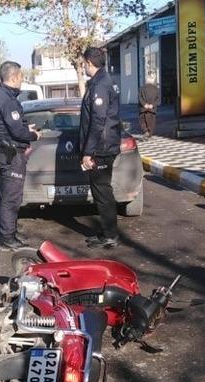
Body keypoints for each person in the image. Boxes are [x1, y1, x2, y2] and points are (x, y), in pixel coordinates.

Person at [0, 60, 41, 251]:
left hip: (4, 151)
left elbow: (9, 125)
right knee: (11, 199)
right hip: (11, 154)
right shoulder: (8, 100)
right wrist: (33, 135)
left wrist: (24, 127)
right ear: (13, 77)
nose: (22, 80)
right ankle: (7, 239)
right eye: (21, 77)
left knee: (10, 196)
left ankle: (11, 232)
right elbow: (17, 131)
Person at [79, 46, 122, 249]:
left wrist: (88, 152)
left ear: (89, 63)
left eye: (84, 64)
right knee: (101, 191)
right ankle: (107, 231)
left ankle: (110, 234)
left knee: (102, 191)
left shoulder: (100, 84)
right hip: (104, 144)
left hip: (101, 147)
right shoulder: (103, 80)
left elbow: (98, 121)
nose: (83, 68)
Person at [138, 72, 160, 140]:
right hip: (152, 109)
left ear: (146, 79)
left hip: (143, 109)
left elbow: (140, 98)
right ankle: (149, 134)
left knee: (143, 121)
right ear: (153, 79)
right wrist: (152, 105)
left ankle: (146, 131)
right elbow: (158, 99)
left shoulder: (142, 88)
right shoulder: (156, 89)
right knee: (151, 122)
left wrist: (144, 104)